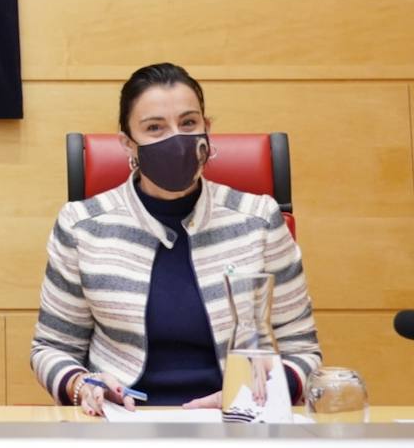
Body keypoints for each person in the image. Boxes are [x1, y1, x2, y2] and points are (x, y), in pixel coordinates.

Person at [30, 62, 321, 415]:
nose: (176, 139)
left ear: (207, 130)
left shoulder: (258, 219)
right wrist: (82, 386)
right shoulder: (82, 226)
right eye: (154, 128)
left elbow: (302, 351)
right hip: (121, 423)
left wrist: (253, 395)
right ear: (128, 145)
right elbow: (52, 348)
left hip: (239, 419)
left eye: (188, 123)